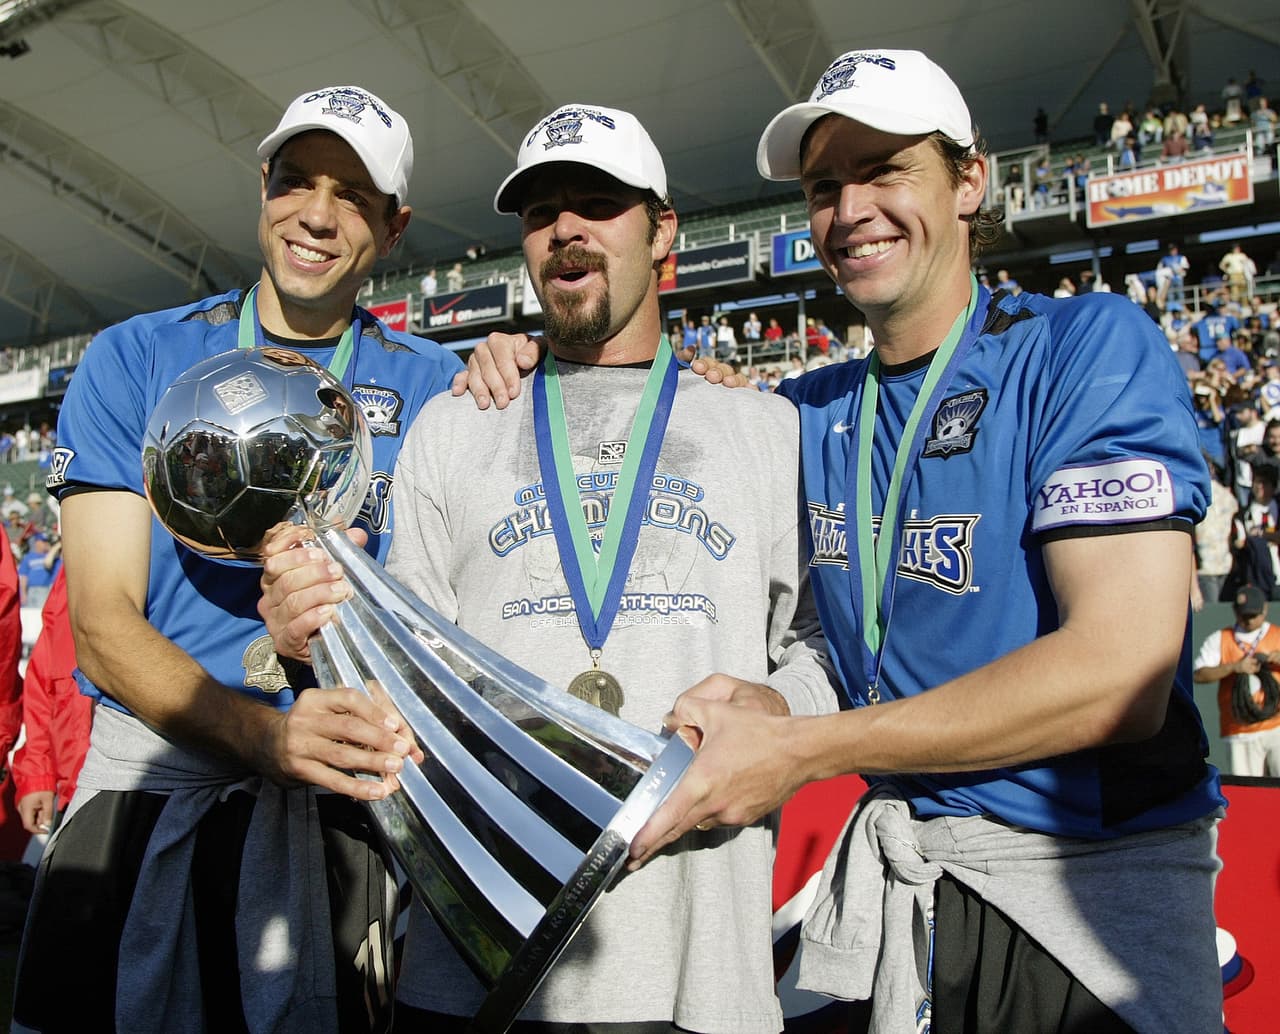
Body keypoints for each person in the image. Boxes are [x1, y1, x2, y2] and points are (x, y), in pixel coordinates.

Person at [627, 49, 1224, 1033]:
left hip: (1084, 900)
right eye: (824, 186)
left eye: (882, 170)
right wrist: (774, 694)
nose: (848, 207)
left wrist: (802, 746)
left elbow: (1117, 670)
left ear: (969, 182)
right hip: (902, 901)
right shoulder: (807, 409)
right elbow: (840, 635)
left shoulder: (1083, 346)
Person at [261, 101, 837, 1033]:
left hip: (703, 965)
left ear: (663, 232)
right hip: (478, 962)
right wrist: (308, 643)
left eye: (598, 203)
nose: (564, 228)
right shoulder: (460, 421)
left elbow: (818, 647)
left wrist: (783, 710)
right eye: (539, 212)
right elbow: (401, 673)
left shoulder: (766, 428)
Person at [11, 85, 464, 1034]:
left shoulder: (443, 389)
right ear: (263, 187)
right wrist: (265, 738)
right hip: (153, 786)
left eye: (352, 196)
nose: (316, 214)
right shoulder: (135, 357)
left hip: (348, 812)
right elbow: (99, 624)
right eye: (296, 181)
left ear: (395, 224)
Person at [12, 570, 89, 839]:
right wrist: (39, 769)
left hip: (155, 787)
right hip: (74, 788)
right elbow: (47, 670)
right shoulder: (82, 560)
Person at [1194, 584, 1280, 775]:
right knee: (1249, 795)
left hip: (1276, 726)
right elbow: (1200, 674)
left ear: (1265, 609)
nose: (1248, 620)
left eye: (1253, 615)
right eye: (1244, 615)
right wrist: (1234, 667)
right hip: (1240, 730)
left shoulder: (1276, 635)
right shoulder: (1219, 638)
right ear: (1235, 611)